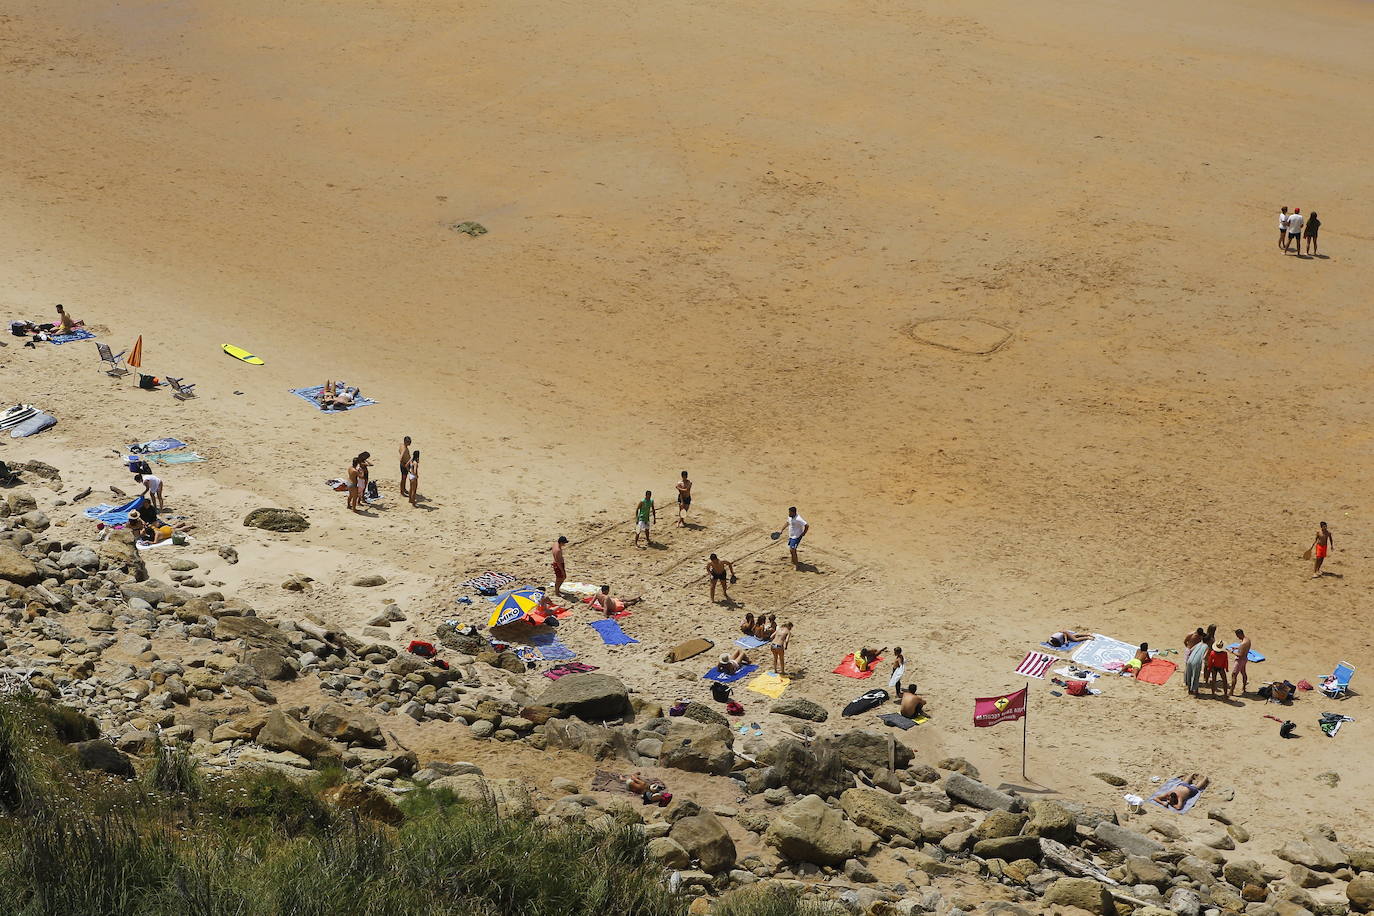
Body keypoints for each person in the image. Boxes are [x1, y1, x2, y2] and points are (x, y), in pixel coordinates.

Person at [1183, 627, 1207, 695]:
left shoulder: (1201, 637)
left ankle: (1189, 684)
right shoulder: (1191, 635)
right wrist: (1188, 648)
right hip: (1189, 649)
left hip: (1195, 651)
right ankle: (1186, 681)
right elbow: (1185, 641)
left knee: (1190, 667)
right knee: (1187, 667)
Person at [1230, 628, 1252, 696]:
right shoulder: (1247, 640)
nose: (1237, 637)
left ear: (1240, 634)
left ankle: (1231, 691)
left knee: (1234, 674)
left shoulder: (1243, 644)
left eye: (1237, 635)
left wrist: (1232, 652)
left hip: (1240, 660)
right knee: (1243, 673)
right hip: (1245, 659)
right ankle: (1244, 688)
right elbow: (1244, 649)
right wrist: (1237, 648)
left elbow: (1240, 655)